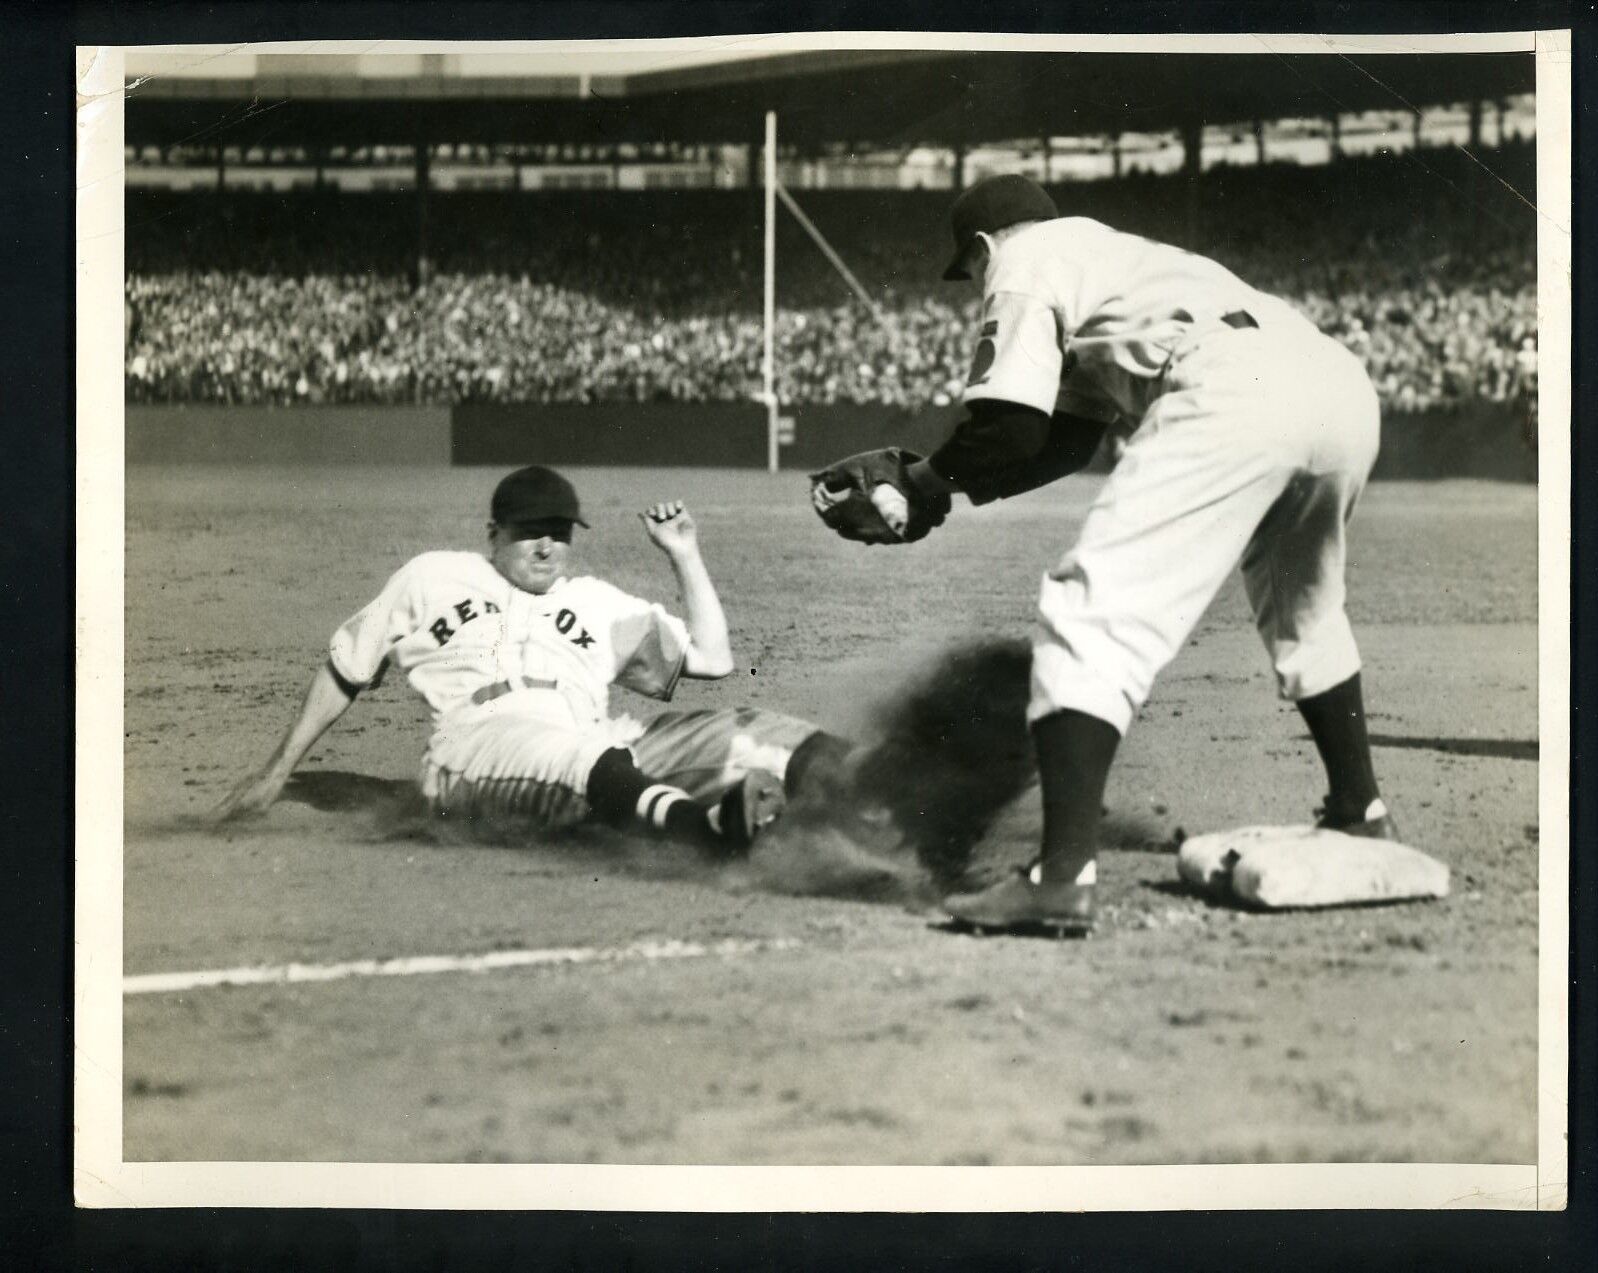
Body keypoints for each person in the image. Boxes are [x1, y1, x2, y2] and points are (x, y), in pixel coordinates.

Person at [813, 174, 1396, 936]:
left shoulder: (1022, 262)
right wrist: (941, 489)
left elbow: (1012, 426)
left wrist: (923, 482)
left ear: (985, 246)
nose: (977, 286)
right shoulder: (1112, 255)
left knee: (1088, 610)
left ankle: (1059, 879)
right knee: (1305, 608)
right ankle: (1360, 808)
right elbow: (1066, 439)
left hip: (1233, 393)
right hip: (1336, 386)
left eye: (972, 270)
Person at [215, 465, 852, 857]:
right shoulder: (433, 576)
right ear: (493, 531)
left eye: (561, 530)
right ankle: (707, 835)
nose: (547, 545)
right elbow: (345, 670)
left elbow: (713, 659)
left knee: (753, 729)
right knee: (574, 758)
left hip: (594, 740)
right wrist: (279, 772)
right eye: (529, 530)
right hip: (474, 749)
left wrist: (684, 554)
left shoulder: (596, 602)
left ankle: (900, 788)